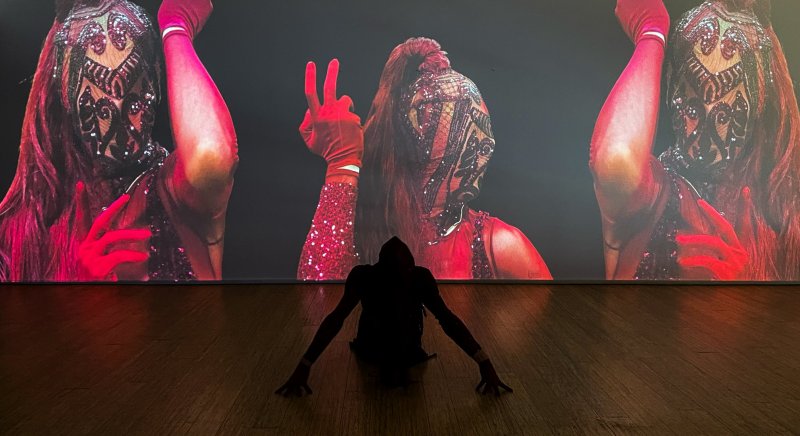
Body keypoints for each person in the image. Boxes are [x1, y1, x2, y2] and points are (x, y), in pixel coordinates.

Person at [0, 0, 237, 281]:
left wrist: (176, 29)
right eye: (98, 90)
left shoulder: (176, 196)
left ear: (155, 83)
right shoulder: (20, 233)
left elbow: (211, 156)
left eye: (131, 82)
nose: (117, 102)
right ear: (65, 96)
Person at [296, 38, 551, 280]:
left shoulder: (500, 245)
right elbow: (318, 303)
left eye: (484, 124)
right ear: (415, 134)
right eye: (465, 125)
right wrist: (343, 166)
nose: (486, 144)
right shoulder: (365, 228)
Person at [590, 0, 800, 280]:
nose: (704, 135)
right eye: (693, 108)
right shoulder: (655, 193)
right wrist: (652, 34)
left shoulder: (784, 215)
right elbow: (616, 160)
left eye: (724, 115)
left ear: (758, 109)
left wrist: (747, 296)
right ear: (672, 94)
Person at [277, 237, 513, 394]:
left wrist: (484, 361)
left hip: (385, 347)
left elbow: (448, 320)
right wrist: (484, 362)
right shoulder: (401, 277)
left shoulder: (396, 278)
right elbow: (335, 319)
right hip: (378, 346)